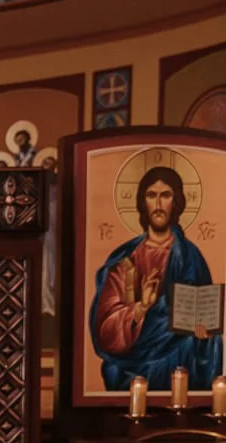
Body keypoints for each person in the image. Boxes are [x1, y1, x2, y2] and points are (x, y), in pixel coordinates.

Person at [90, 165, 222, 391]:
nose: (159, 205)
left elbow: (205, 316)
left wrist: (205, 334)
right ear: (143, 202)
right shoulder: (125, 260)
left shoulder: (191, 256)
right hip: (132, 366)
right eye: (151, 195)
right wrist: (141, 308)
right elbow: (104, 331)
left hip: (182, 362)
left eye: (166, 195)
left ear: (176, 201)